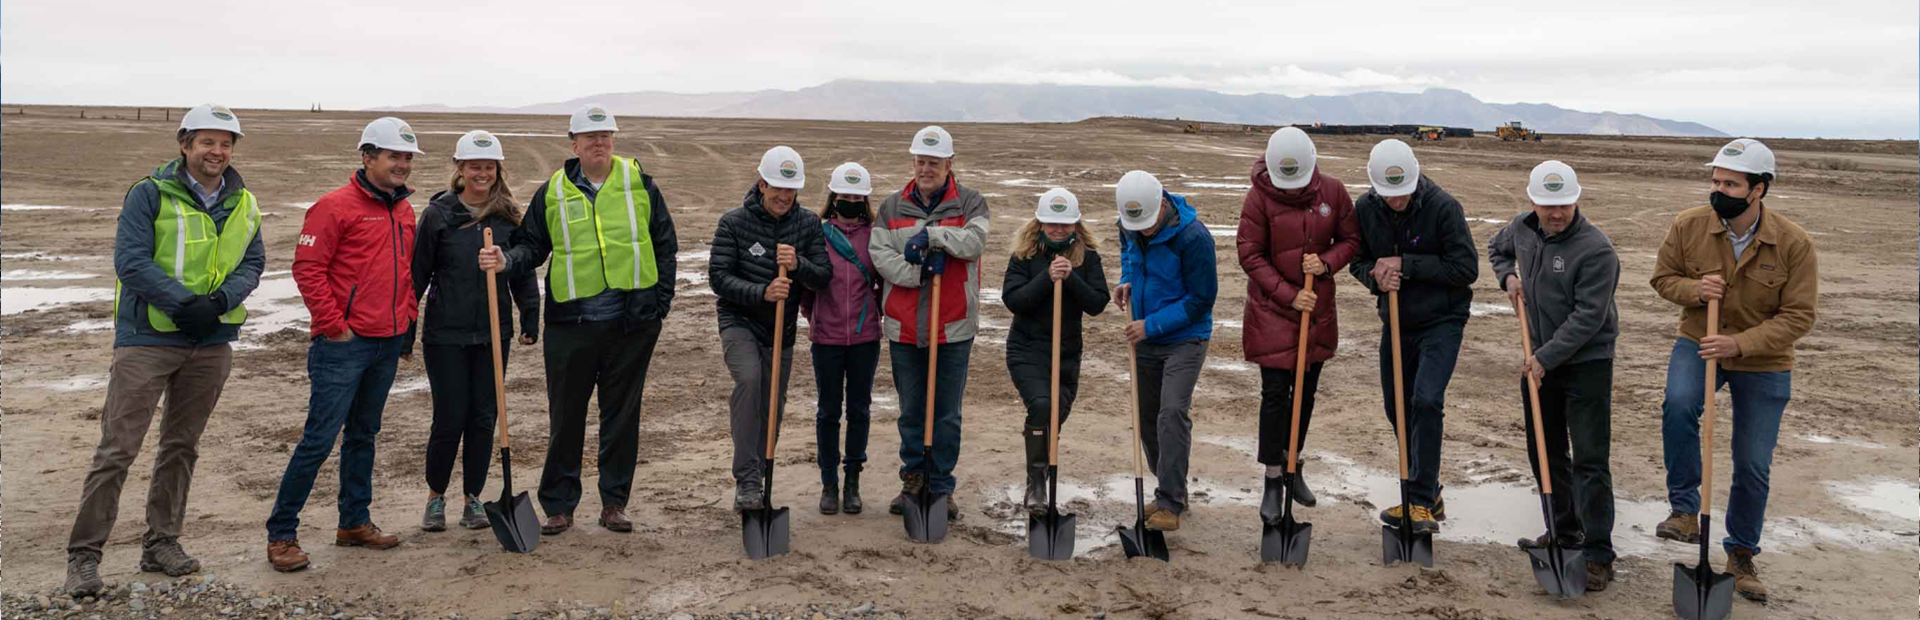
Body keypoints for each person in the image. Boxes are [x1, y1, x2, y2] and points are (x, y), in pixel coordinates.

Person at [64, 104, 265, 594]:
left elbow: (253, 262)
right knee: (118, 449)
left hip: (211, 342)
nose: (217, 151)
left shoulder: (244, 202)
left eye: (225, 143)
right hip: (148, 340)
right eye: (207, 142)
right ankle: (84, 557)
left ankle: (161, 543)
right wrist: (183, 304)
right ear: (185, 144)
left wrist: (218, 301)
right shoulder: (149, 194)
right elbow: (130, 261)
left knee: (181, 447)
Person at [478, 105, 678, 536]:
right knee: (565, 417)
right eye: (591, 138)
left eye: (606, 136)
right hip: (572, 326)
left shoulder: (639, 183)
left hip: (632, 325)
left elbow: (664, 243)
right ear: (575, 145)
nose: (599, 143)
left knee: (621, 417)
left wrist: (660, 305)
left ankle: (614, 503)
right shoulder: (552, 191)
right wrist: (506, 260)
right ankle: (559, 505)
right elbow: (532, 246)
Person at [1649, 139, 1817, 603]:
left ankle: (1741, 554)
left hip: (1763, 359)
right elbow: (1662, 279)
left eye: (1730, 183)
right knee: (1679, 404)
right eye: (1715, 180)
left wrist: (1740, 343)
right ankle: (1683, 509)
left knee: (1752, 462)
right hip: (1699, 340)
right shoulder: (1688, 226)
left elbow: (1799, 317)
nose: (1718, 189)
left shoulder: (1794, 244)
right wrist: (1694, 289)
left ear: (1758, 189)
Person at [267, 117, 423, 572]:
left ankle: (354, 521)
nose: (402, 165)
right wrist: (334, 324)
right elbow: (307, 269)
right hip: (343, 345)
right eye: (394, 156)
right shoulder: (333, 206)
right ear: (368, 156)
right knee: (318, 439)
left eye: (408, 157)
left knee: (364, 436)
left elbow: (405, 270)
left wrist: (407, 313)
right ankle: (281, 533)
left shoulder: (404, 210)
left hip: (386, 342)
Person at [1487, 160, 1622, 591]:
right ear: (1533, 202)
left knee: (1588, 458)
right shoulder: (1522, 228)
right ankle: (1563, 531)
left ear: (1576, 200)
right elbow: (1497, 248)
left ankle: (1598, 552)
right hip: (1540, 359)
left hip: (1585, 364)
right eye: (1547, 205)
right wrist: (1508, 276)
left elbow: (1588, 318)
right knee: (1544, 451)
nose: (1556, 213)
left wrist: (1545, 357)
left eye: (1563, 204)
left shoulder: (1596, 250)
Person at [406, 130, 539, 533]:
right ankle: (435, 497)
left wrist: (530, 317)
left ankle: (474, 499)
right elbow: (417, 276)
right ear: (459, 168)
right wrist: (405, 329)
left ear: (498, 169)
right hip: (445, 335)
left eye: (489, 166)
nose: (482, 173)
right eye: (474, 166)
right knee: (449, 418)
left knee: (484, 419)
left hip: (493, 334)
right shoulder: (438, 215)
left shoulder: (508, 216)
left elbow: (523, 270)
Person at [1347, 139, 1478, 537]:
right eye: (1389, 195)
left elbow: (1465, 268)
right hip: (1397, 321)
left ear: (1415, 179)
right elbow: (1358, 260)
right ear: (1374, 188)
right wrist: (1374, 276)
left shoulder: (1443, 207)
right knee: (1397, 409)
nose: (1397, 201)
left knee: (1426, 400)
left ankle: (1419, 500)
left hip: (1443, 320)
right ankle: (1429, 490)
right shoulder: (1366, 209)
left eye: (1403, 193)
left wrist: (1407, 265)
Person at [1235, 127, 1359, 520]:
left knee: (1304, 394)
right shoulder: (1258, 197)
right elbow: (1249, 254)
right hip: (1272, 310)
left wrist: (1326, 263)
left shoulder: (1334, 192)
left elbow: (1352, 240)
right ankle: (1273, 478)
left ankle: (1294, 464)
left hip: (1316, 312)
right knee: (1275, 397)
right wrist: (1289, 294)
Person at [869, 126, 990, 522]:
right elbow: (881, 256)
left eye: (934, 163)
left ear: (949, 164)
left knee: (946, 413)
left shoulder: (971, 202)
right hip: (904, 326)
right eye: (920, 161)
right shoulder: (890, 207)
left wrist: (934, 236)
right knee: (911, 409)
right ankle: (913, 480)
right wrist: (917, 273)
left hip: (953, 325)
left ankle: (941, 486)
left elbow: (973, 243)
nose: (925, 169)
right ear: (913, 162)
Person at [709, 146, 832, 511]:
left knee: (772, 405)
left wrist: (798, 265)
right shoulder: (733, 223)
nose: (783, 196)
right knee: (749, 382)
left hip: (781, 331)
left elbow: (823, 276)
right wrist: (762, 292)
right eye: (776, 187)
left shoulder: (807, 224)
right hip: (739, 322)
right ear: (761, 183)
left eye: (790, 190)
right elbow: (718, 277)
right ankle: (746, 481)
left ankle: (761, 472)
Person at [1112, 170, 1217, 532]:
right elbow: (1129, 252)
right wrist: (1126, 279)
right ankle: (1171, 486)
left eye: (1147, 223)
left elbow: (1203, 299)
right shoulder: (1129, 223)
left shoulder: (1194, 237)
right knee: (1147, 417)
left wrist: (1152, 324)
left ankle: (1169, 501)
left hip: (1186, 338)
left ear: (1163, 206)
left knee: (1171, 412)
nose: (1141, 231)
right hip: (1144, 339)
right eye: (1134, 224)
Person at [1001, 188, 1109, 515]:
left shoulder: (1087, 256)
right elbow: (1013, 300)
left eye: (1065, 224)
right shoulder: (1024, 255)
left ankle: (1041, 473)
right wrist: (1047, 278)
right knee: (1042, 406)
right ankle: (1036, 485)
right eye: (1051, 223)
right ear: (1040, 222)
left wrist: (1071, 277)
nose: (1059, 230)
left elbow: (1097, 303)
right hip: (1027, 351)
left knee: (1053, 419)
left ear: (1076, 224)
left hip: (1066, 356)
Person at [801, 162, 883, 515]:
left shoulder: (876, 236)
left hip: (866, 339)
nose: (850, 201)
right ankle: (828, 483)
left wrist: (871, 312)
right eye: (844, 195)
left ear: (864, 200)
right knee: (828, 411)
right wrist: (816, 316)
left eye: (857, 197)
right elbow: (807, 285)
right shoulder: (816, 234)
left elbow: (884, 280)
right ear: (833, 197)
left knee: (860, 410)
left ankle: (853, 482)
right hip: (827, 339)